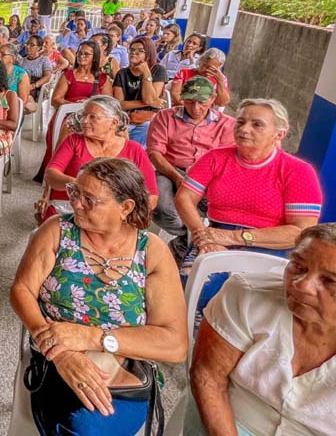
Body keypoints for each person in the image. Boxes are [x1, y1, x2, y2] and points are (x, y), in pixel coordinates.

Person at [12, 157, 187, 435]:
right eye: (75, 192)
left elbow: (175, 345)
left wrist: (94, 338)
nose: (76, 204)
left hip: (122, 367)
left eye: (90, 199)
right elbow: (22, 290)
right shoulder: (58, 231)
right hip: (55, 353)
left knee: (92, 424)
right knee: (79, 424)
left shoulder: (151, 251)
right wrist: (62, 354)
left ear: (125, 207)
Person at [189, 224, 336, 436]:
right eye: (298, 265)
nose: (302, 285)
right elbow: (208, 377)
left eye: (331, 281)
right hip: (229, 423)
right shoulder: (248, 295)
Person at [175, 98, 322, 267]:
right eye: (240, 122)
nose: (244, 129)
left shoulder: (298, 171)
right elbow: (184, 197)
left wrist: (235, 238)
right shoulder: (215, 158)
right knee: (194, 282)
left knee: (254, 289)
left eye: (257, 124)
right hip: (214, 235)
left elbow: (301, 231)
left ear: (280, 133)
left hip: (270, 245)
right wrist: (202, 236)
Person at [146, 77, 234, 261]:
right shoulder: (165, 117)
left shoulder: (226, 124)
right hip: (170, 171)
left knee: (227, 211)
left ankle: (183, 245)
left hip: (209, 177)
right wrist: (177, 177)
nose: (195, 108)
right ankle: (194, 241)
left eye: (201, 102)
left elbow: (227, 160)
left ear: (212, 99)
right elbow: (155, 154)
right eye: (189, 101)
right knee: (162, 209)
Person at [41, 95, 158, 212]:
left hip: (113, 216)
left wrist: (126, 216)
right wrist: (84, 185)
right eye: (84, 116)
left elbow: (151, 195)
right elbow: (51, 174)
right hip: (70, 207)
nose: (85, 121)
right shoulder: (74, 140)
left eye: (93, 117)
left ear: (113, 123)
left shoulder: (134, 150)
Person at [34, 40, 112, 182]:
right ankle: (58, 171)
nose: (81, 56)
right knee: (67, 126)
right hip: (67, 115)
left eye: (86, 54)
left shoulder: (102, 79)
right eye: (80, 53)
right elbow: (56, 100)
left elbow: (108, 104)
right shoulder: (69, 75)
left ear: (94, 57)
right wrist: (75, 105)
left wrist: (89, 108)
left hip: (94, 117)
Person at [112, 36, 167, 145]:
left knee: (146, 129)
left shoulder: (158, 70)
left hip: (147, 119)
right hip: (125, 117)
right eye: (132, 50)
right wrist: (151, 102)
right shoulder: (122, 73)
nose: (134, 53)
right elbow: (120, 104)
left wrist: (146, 73)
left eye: (140, 51)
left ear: (149, 54)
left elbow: (149, 98)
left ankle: (134, 157)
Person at [0, 43, 33, 113]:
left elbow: (22, 102)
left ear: (12, 59)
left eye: (3, 54)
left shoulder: (21, 74)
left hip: (12, 111)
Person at [20, 35, 55, 102]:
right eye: (27, 44)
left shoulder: (44, 60)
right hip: (21, 88)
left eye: (32, 45)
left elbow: (48, 76)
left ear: (39, 48)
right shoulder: (22, 60)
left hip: (35, 89)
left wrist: (33, 86)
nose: (27, 47)